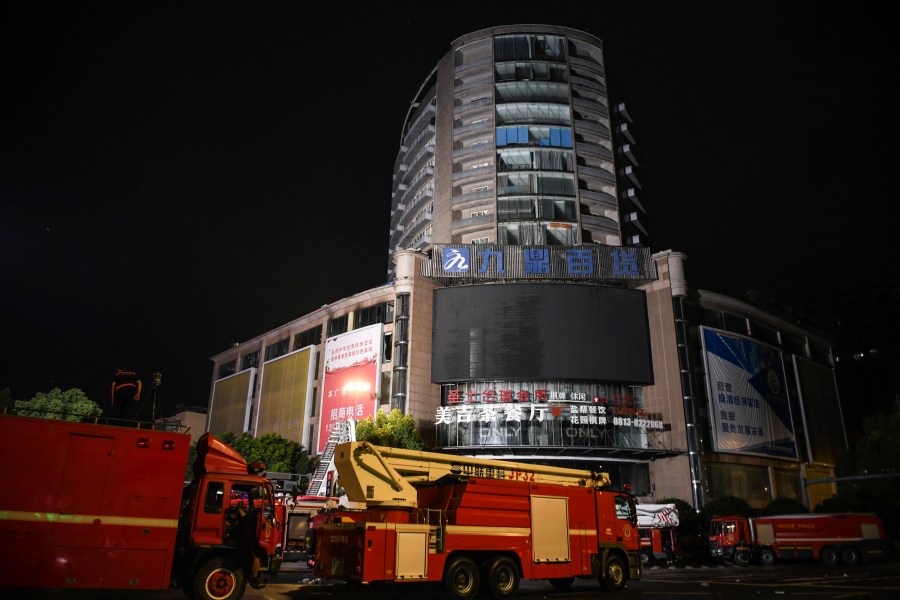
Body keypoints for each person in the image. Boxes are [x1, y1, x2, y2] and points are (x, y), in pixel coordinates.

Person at [227, 499, 265, 589]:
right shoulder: (256, 516)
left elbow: (241, 514)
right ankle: (254, 577)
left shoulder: (247, 515)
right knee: (256, 557)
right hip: (251, 538)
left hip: (244, 538)